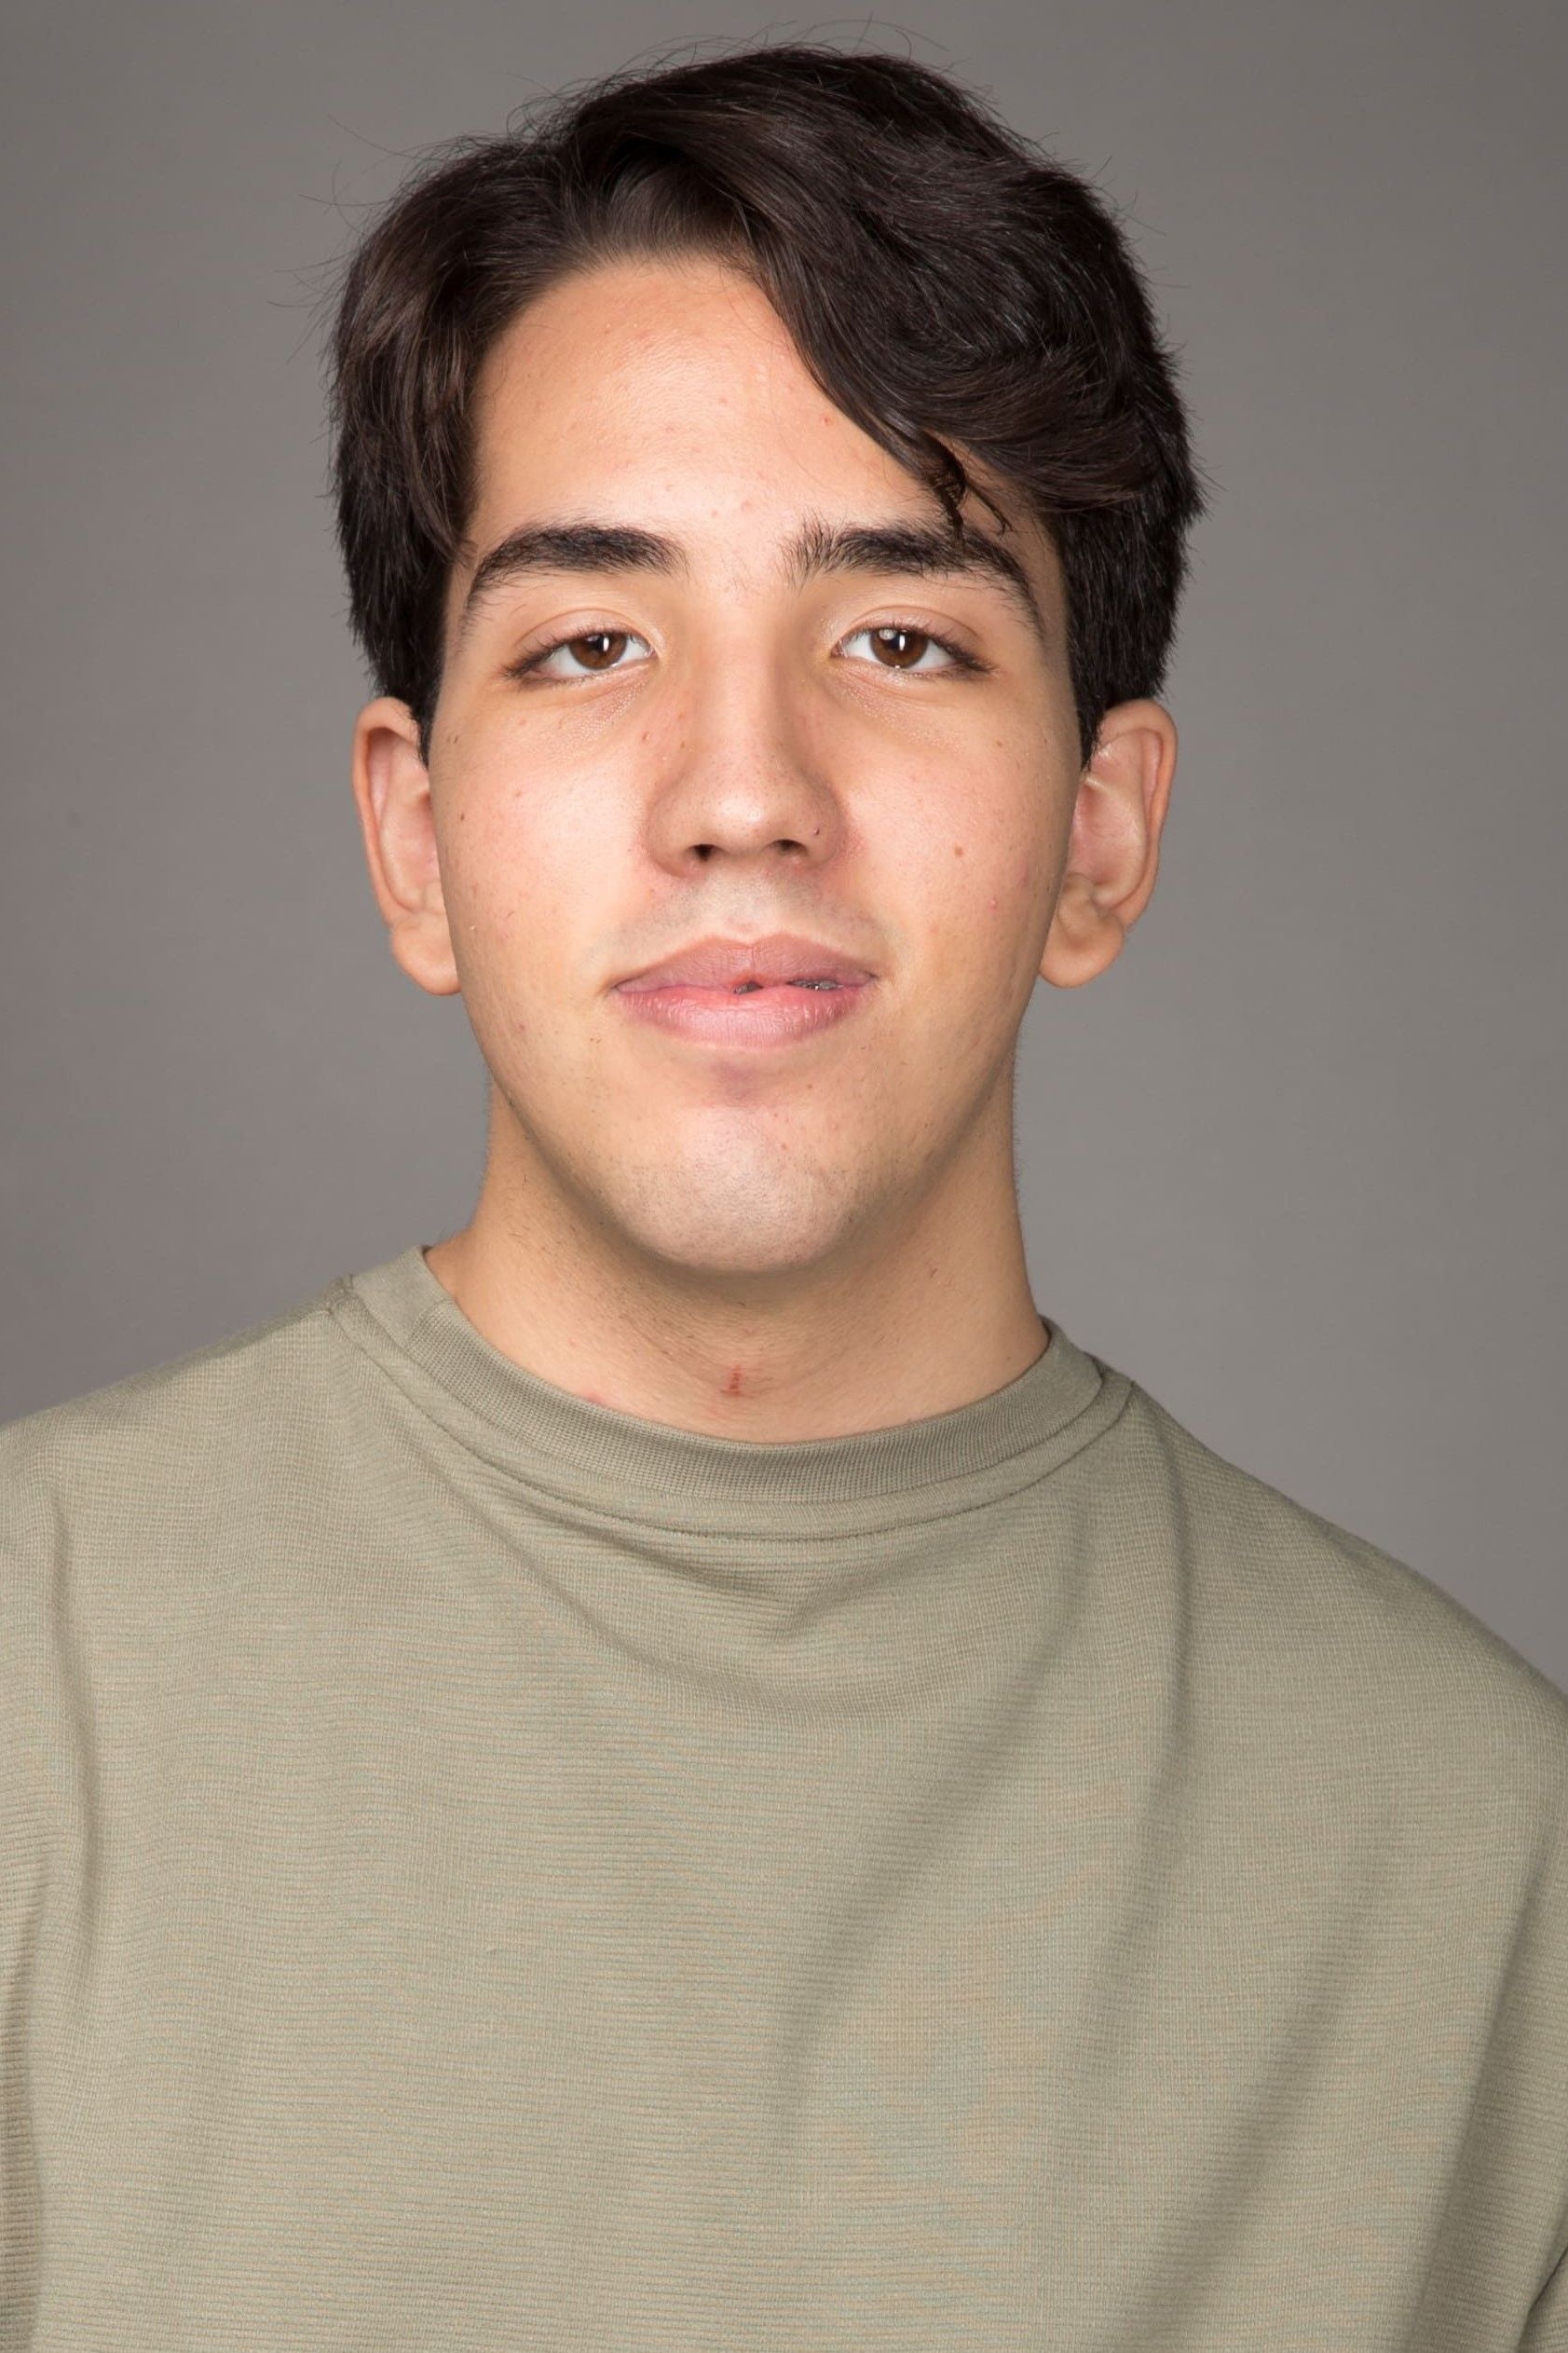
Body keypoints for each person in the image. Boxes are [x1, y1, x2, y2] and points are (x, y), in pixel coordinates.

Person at [2, 39, 1563, 2350]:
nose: (742, 790)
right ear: (414, 841)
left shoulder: (1484, 1874)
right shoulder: (28, 1689)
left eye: (900, 639)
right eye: (589, 645)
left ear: (1098, 837)